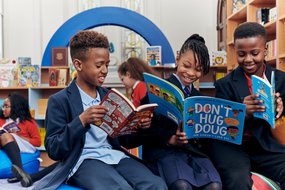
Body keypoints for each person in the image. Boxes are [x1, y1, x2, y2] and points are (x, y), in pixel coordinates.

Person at [33, 30, 167, 190]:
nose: (104, 70)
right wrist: (81, 121)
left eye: (107, 64)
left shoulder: (109, 95)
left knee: (157, 185)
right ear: (78, 65)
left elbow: (125, 141)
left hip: (114, 155)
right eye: (99, 65)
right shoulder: (60, 100)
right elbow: (54, 149)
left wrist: (140, 126)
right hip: (83, 160)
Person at [120, 34, 222, 190]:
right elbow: (147, 129)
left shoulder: (198, 98)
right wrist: (170, 138)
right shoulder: (156, 89)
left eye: (198, 69)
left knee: (214, 185)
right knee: (182, 185)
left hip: (192, 153)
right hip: (163, 151)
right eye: (186, 65)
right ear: (177, 59)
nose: (191, 73)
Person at [205, 22, 285, 189]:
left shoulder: (280, 79)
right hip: (233, 147)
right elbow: (220, 127)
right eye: (241, 54)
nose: (248, 60)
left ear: (265, 50)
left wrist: (280, 109)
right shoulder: (224, 85)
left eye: (254, 53)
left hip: (267, 145)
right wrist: (242, 112)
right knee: (237, 180)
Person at [0, 92, 41, 187]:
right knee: (4, 135)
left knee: (6, 136)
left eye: (6, 106)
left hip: (25, 146)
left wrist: (17, 136)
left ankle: (19, 171)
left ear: (15, 107)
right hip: (6, 145)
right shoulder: (2, 120)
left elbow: (38, 142)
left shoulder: (28, 122)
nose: (3, 109)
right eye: (3, 106)